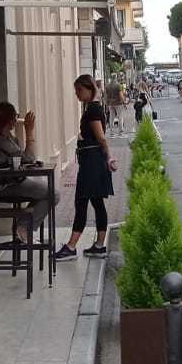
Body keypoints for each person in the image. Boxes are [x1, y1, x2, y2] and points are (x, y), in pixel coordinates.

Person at [56, 75, 116, 261]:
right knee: (97, 202)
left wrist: (109, 157)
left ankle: (71, 247)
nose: (77, 94)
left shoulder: (93, 109)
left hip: (92, 163)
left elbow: (101, 137)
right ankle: (98, 246)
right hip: (93, 161)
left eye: (79, 90)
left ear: (90, 89)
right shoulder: (92, 107)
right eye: (76, 91)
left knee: (81, 201)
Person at [0, 103, 45, 243]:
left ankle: (22, 225)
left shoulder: (9, 139)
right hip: (3, 186)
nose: (16, 119)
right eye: (15, 116)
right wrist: (29, 131)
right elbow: (29, 158)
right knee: (52, 194)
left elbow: (23, 160)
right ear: (8, 120)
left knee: (44, 191)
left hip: (12, 182)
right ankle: (23, 227)